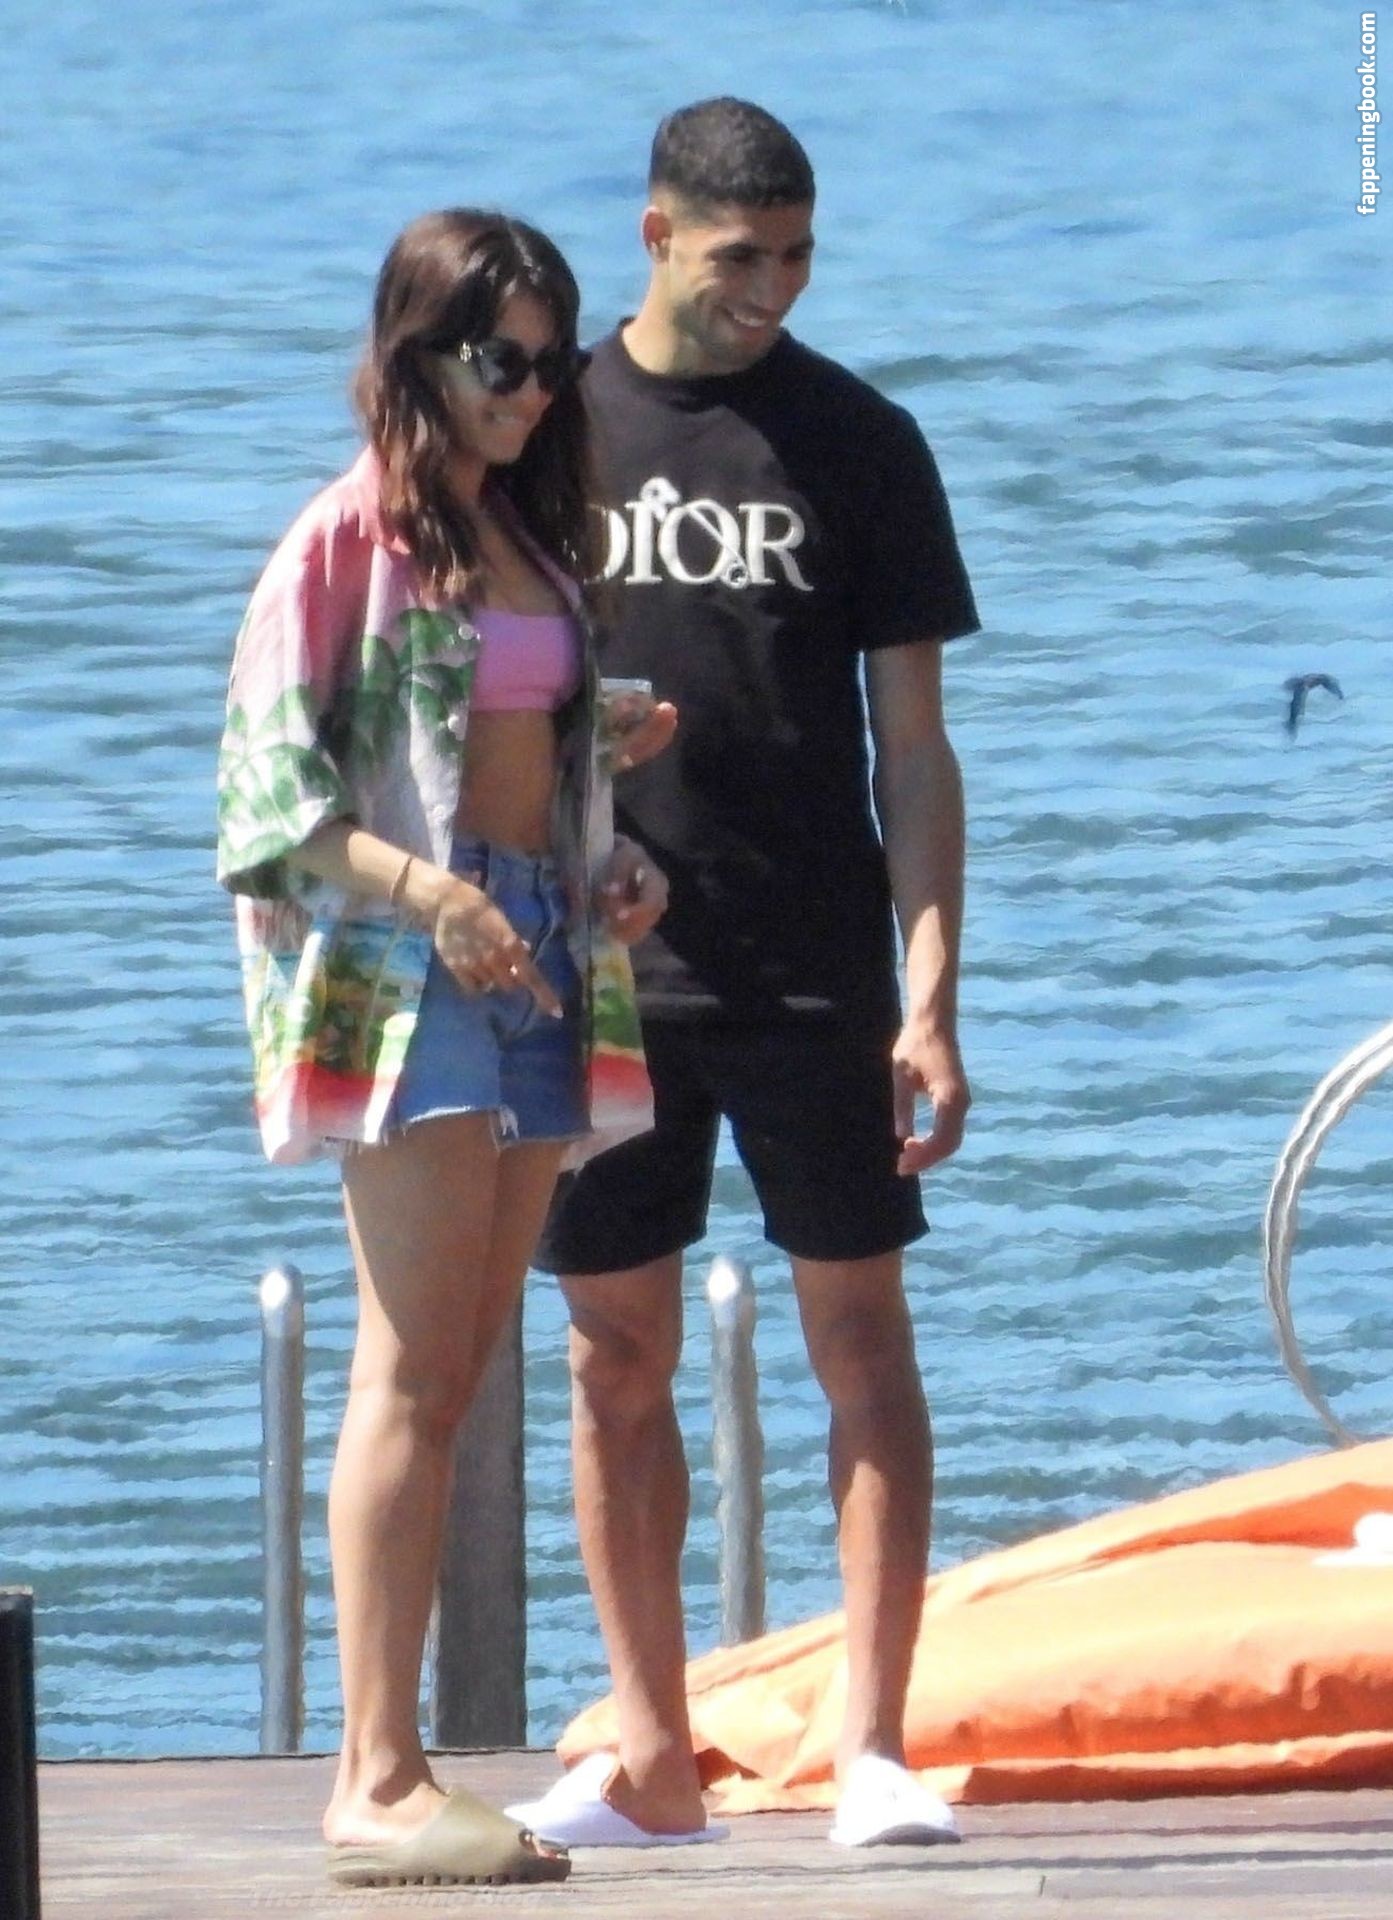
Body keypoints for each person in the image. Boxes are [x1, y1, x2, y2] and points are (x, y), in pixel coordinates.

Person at [509, 100, 980, 1852]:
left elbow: (912, 749)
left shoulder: (861, 440)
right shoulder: (550, 430)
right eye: (737, 256)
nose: (772, 286)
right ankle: (650, 1758)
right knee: (609, 1352)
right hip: (598, 966)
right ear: (654, 236)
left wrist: (930, 990)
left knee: (858, 1334)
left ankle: (871, 1750)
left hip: (810, 959)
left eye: (796, 254)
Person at [215, 208, 672, 1889]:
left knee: (462, 1372)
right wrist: (436, 895)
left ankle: (394, 1768)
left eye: (553, 364)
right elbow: (269, 807)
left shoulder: (534, 540)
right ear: (416, 356)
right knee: (407, 1369)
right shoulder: (346, 542)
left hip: (540, 945)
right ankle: (376, 1776)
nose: (534, 392)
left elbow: (523, 760)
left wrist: (609, 847)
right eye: (500, 360)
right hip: (402, 965)